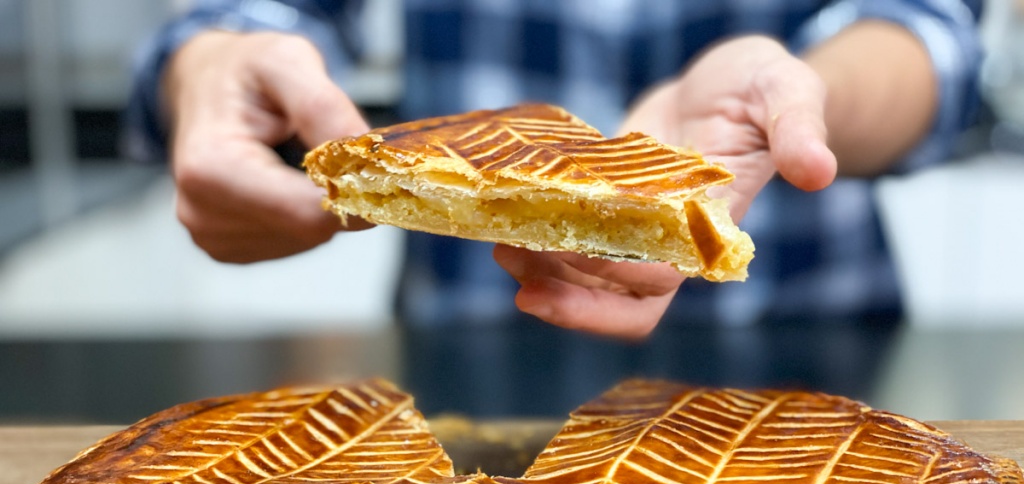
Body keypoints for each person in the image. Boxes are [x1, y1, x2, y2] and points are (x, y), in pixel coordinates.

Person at [125, 1, 983, 340]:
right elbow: (259, 15)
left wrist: (808, 97)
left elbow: (931, 31)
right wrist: (205, 63)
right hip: (473, 355)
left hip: (815, 352)